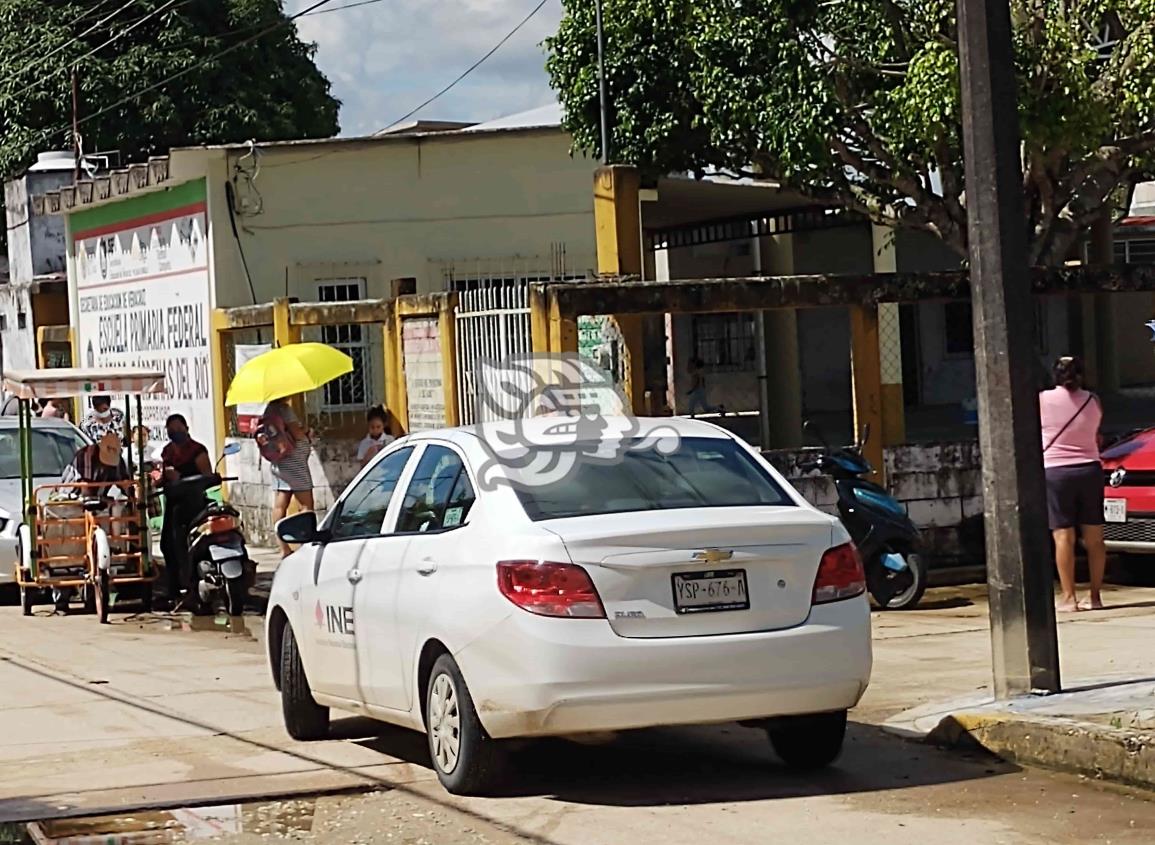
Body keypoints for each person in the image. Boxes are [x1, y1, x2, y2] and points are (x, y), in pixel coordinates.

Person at [1040, 356, 1107, 612]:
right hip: (1090, 469)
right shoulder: (1093, 400)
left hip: (1055, 472)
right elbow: (1096, 432)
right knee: (1095, 538)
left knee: (1063, 537)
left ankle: (1069, 598)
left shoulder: (1042, 400)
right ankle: (1095, 596)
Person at [55, 432, 133, 613]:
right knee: (68, 547)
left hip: (98, 501)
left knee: (99, 539)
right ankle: (62, 598)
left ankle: (94, 593)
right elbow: (86, 487)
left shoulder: (117, 460)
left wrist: (132, 496)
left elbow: (125, 483)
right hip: (72, 500)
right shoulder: (87, 455)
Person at [157, 414, 214, 608]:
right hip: (173, 505)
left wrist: (184, 478)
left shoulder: (197, 451)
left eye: (179, 429)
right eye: (172, 431)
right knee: (168, 545)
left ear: (186, 428)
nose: (176, 434)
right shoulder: (167, 452)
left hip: (193, 504)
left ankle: (192, 587)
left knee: (187, 547)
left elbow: (208, 476)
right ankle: (174, 589)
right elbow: (162, 475)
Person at [256, 397, 314, 557]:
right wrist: (307, 432)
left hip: (278, 461)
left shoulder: (268, 410)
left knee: (280, 505)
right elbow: (297, 434)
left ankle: (284, 548)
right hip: (294, 462)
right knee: (306, 506)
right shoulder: (284, 410)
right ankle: (306, 544)